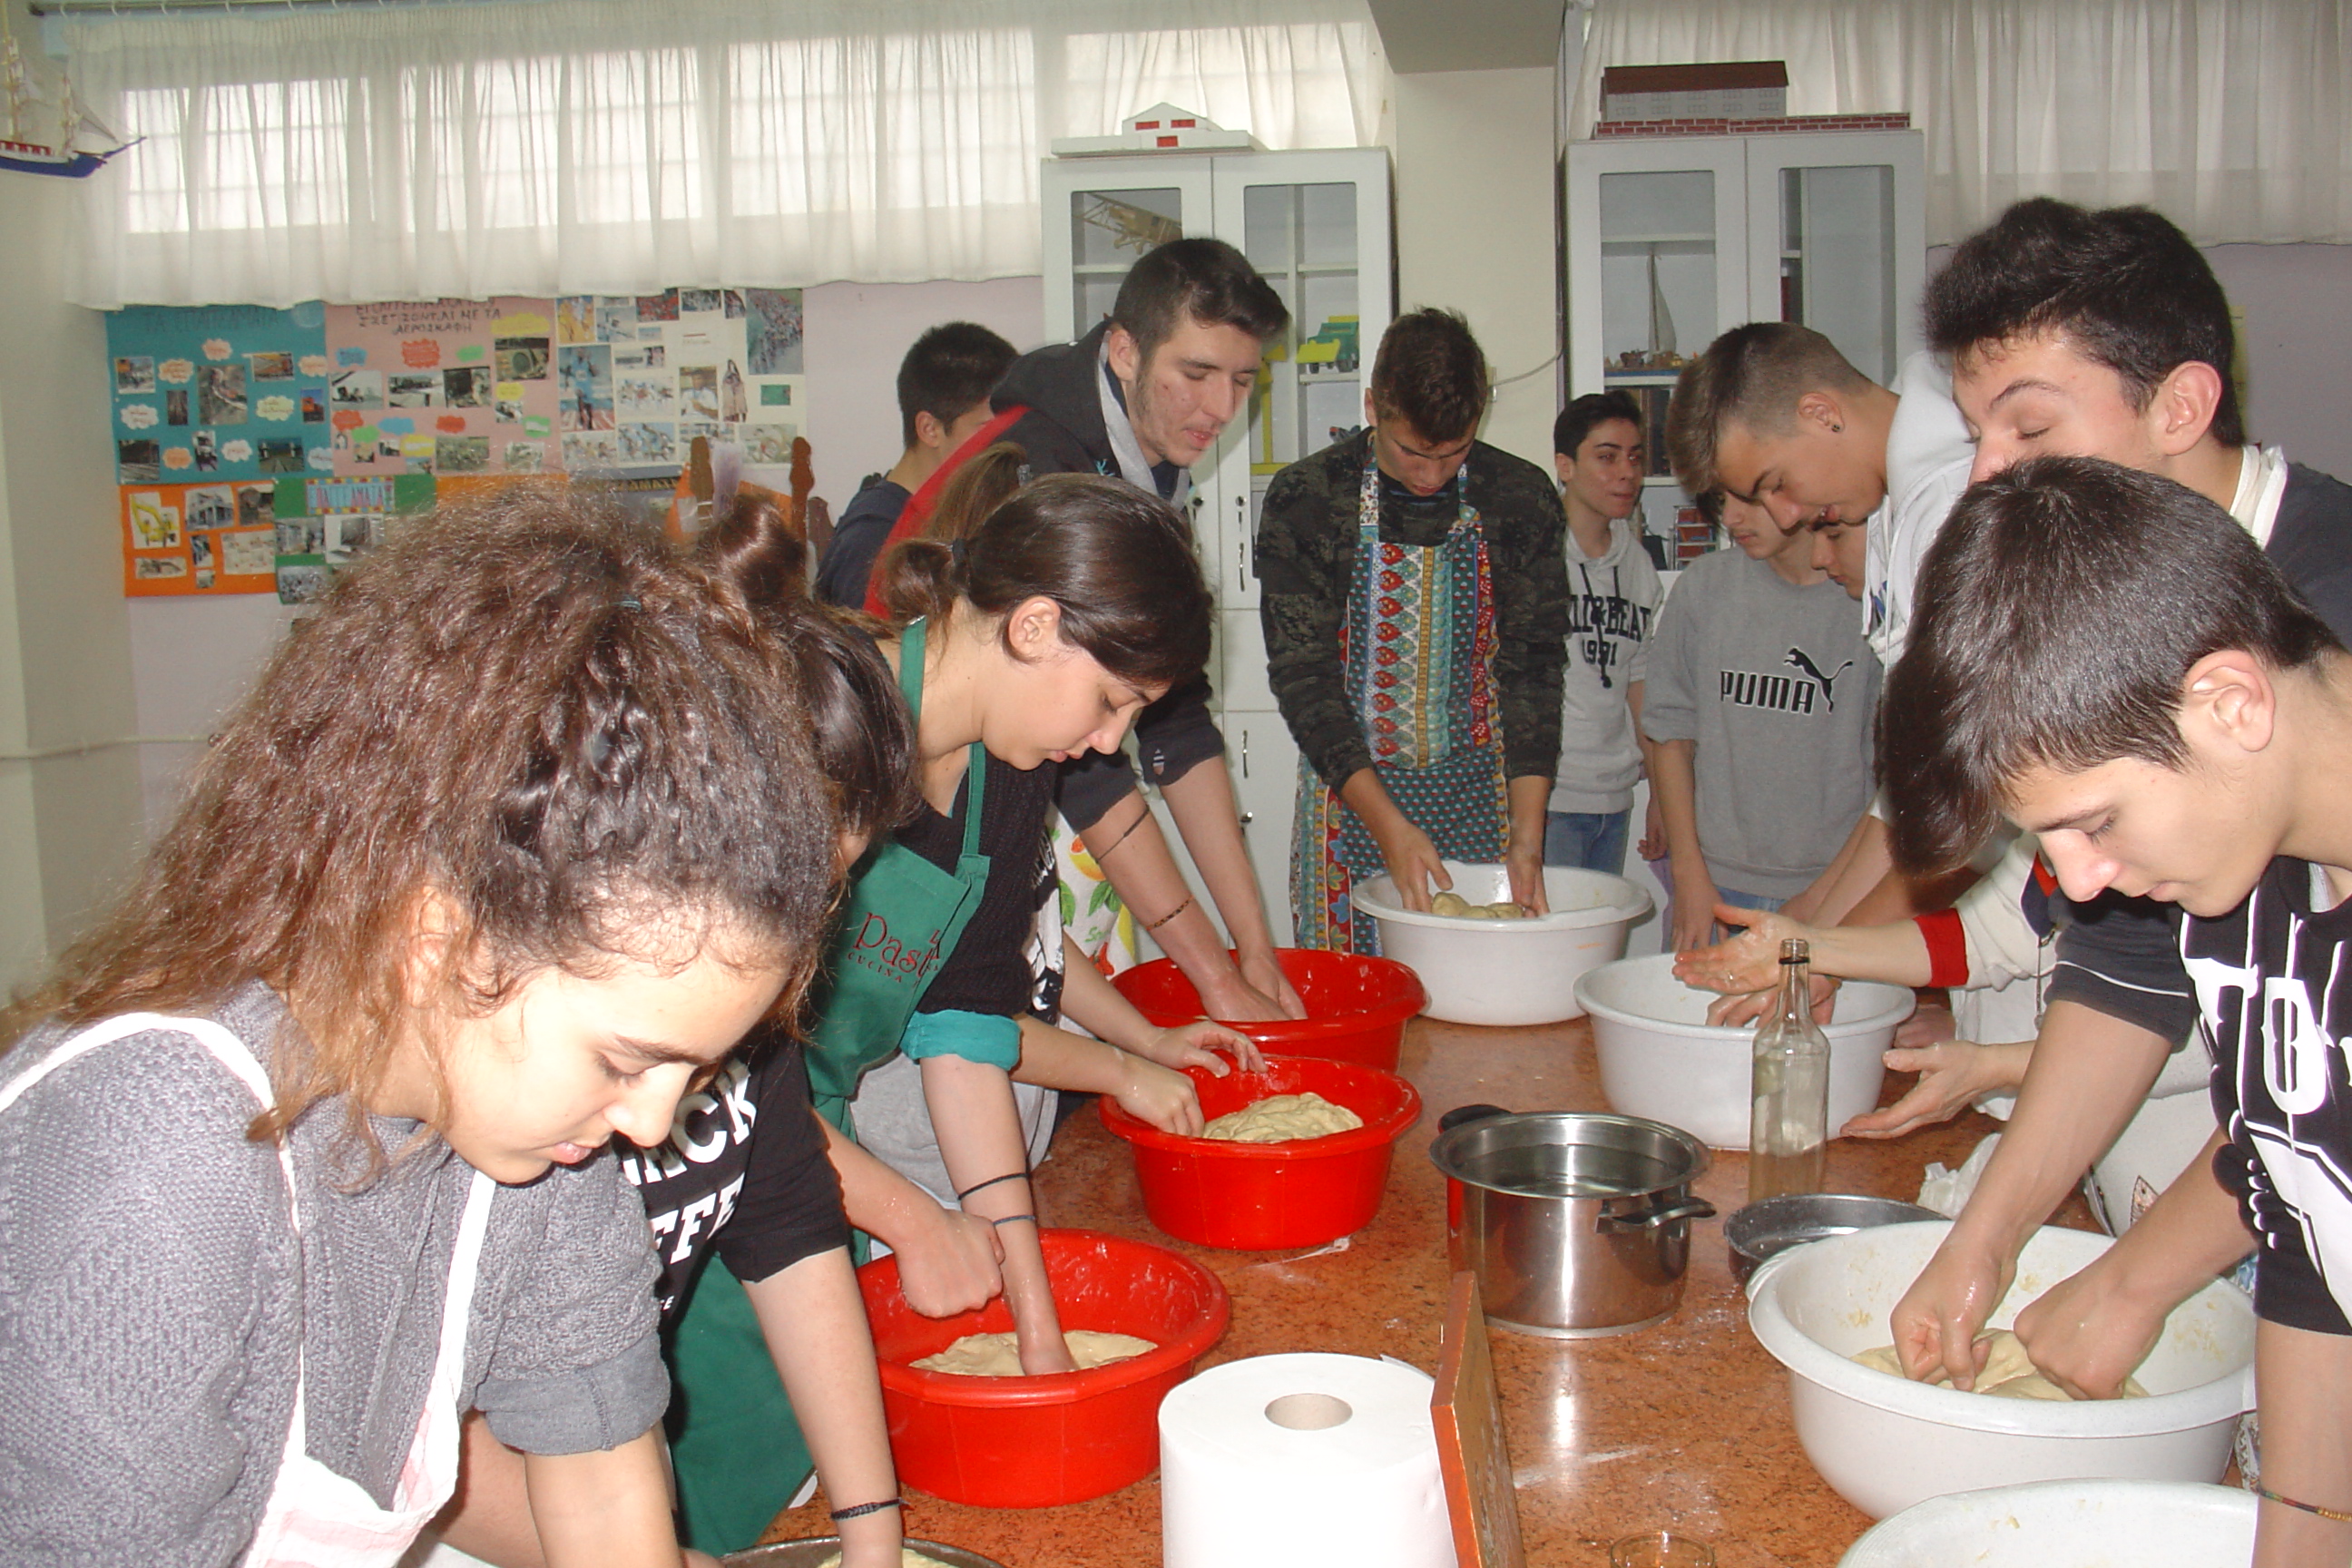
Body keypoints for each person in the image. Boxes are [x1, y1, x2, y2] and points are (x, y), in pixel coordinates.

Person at [0, 492, 848, 1568]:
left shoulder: (534, 1141)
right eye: (625, 1062)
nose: (650, 1126)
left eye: (691, 1073)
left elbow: (600, 1493)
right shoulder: (154, 1158)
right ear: (436, 939)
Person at [1873, 197, 2352, 1401]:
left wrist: (2137, 1282)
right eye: (1976, 430)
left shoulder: (2320, 617)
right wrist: (1983, 1244)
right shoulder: (2100, 650)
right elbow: (2129, 966)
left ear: (2180, 406)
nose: (1988, 470)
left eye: (2028, 423)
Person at [1875, 455, 2352, 1568]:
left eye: (2093, 823)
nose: (2082, 884)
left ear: (2231, 703)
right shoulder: (2251, 881)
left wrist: (2133, 1285)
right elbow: (2304, 1209)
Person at [867, 239, 1304, 1019]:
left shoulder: (1149, 457)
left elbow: (1177, 723)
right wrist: (1216, 976)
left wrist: (1254, 949)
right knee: (991, 1007)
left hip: (1015, 771)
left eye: (1242, 380)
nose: (1221, 408)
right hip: (915, 785)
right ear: (1125, 350)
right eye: (1196, 373)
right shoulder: (1042, 462)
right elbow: (1090, 766)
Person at [1257, 308, 1569, 949]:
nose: (1431, 476)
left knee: (1473, 985)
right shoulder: (1309, 498)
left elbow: (1533, 670)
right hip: (1349, 795)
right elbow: (1304, 678)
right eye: (1411, 452)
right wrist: (1389, 827)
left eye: (1454, 453)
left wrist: (1528, 838)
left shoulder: (1519, 497)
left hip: (1479, 798)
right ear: (1372, 406)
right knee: (1360, 988)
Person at [1665, 321, 1975, 934]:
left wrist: (1821, 948)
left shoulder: (1950, 503)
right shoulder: (1887, 502)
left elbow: (1964, 802)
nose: (1788, 516)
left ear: (1821, 414)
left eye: (1776, 484)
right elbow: (1910, 789)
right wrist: (1812, 927)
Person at [1641, 489, 1878, 951]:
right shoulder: (1705, 586)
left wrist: (1825, 895)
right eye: (1722, 499)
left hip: (1835, 885)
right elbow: (1669, 731)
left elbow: (1898, 778)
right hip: (1713, 883)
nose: (1731, 518)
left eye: (1750, 499)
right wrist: (1688, 875)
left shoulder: (1866, 597)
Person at [813, 321, 1017, 608]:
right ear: (930, 429)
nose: (1007, 442)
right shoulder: (873, 542)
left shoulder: (948, 515)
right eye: (989, 429)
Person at [1546, 390, 1662, 876]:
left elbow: (1639, 682)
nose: (1627, 473)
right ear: (1566, 466)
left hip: (1615, 796)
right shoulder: (1534, 553)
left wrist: (1661, 794)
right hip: (1547, 797)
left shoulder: (1637, 564)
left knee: (1601, 923)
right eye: (1607, 457)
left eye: (1634, 458)